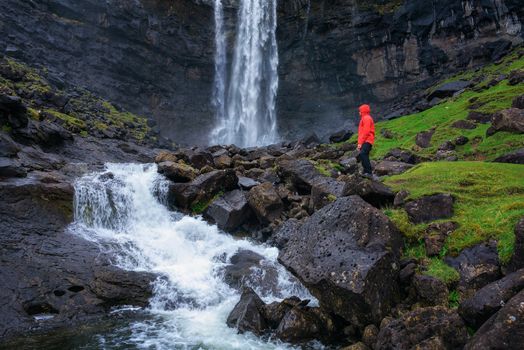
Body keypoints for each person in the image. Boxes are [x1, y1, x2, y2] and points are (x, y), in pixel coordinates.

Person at [357, 104, 376, 179]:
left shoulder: (366, 118)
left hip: (367, 140)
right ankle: (366, 172)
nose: (359, 112)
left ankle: (368, 172)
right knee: (364, 155)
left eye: (360, 111)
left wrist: (360, 143)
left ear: (363, 111)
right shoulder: (365, 118)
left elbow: (366, 131)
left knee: (363, 154)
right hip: (366, 140)